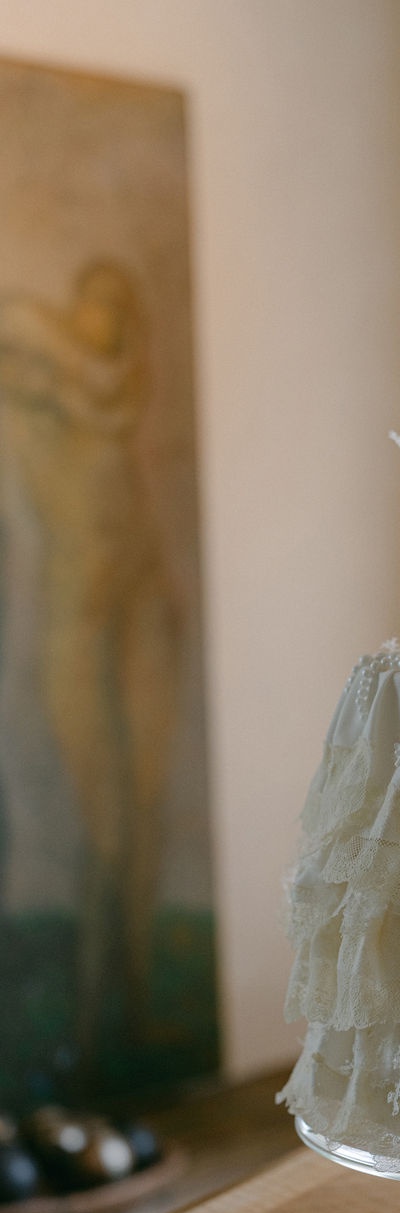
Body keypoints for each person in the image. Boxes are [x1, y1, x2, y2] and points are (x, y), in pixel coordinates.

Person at [0, 260, 182, 1086]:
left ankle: (132, 1010)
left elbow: (114, 380)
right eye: (91, 301)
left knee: (145, 811)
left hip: (141, 598)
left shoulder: (117, 398)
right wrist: (67, 356)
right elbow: (17, 324)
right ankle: (82, 1027)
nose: (101, 317)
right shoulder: (39, 394)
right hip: (77, 620)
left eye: (116, 303)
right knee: (105, 825)